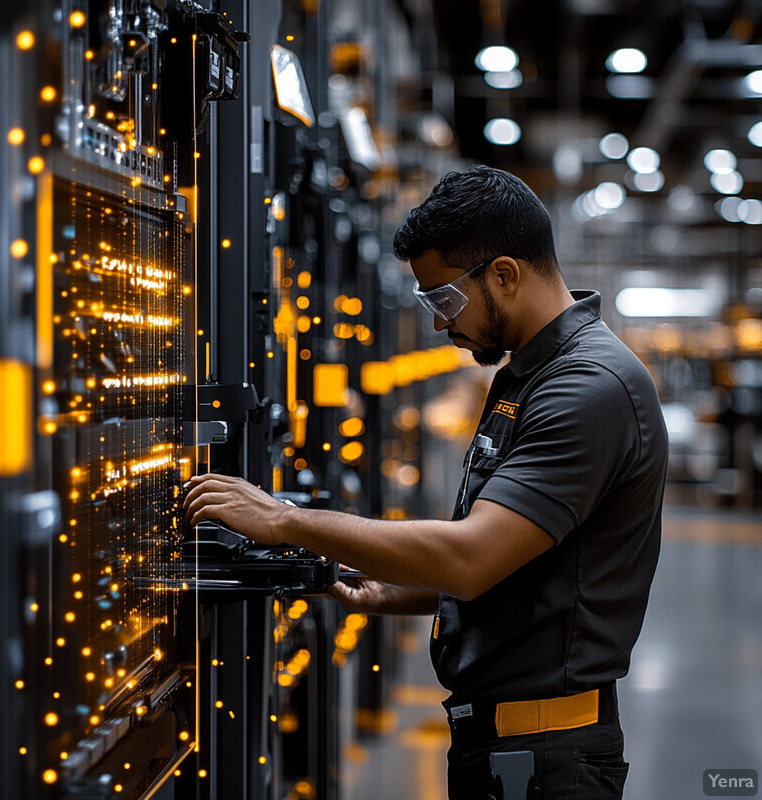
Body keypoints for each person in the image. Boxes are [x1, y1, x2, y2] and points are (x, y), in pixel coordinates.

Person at [183, 165, 668, 800]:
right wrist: (387, 591)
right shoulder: (530, 375)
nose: (440, 323)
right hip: (506, 744)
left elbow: (470, 558)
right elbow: (515, 570)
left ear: (504, 274)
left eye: (444, 299)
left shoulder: (587, 389)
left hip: (546, 760)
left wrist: (283, 520)